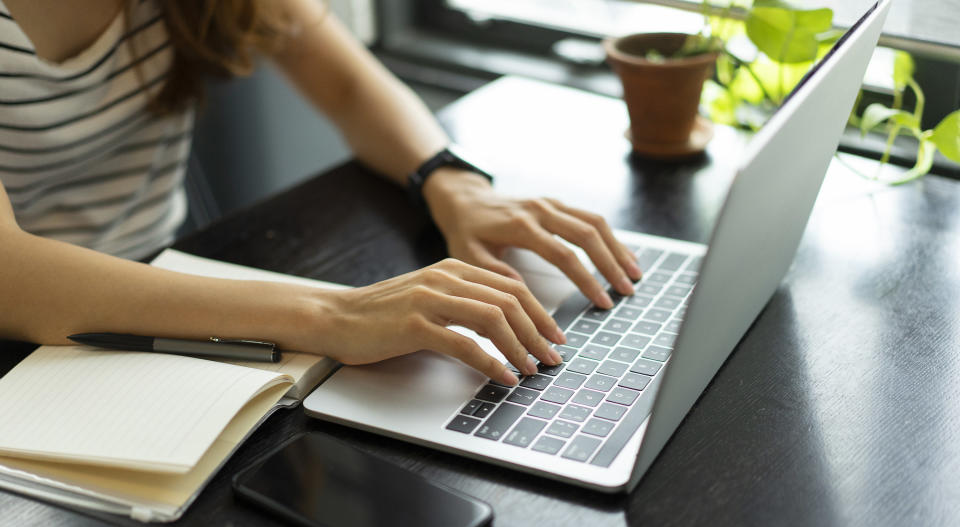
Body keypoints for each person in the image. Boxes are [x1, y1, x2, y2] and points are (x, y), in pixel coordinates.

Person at [0, 0, 642, 387]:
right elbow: (13, 276)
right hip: (30, 337)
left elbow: (348, 85)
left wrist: (449, 180)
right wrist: (332, 315)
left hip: (165, 274)